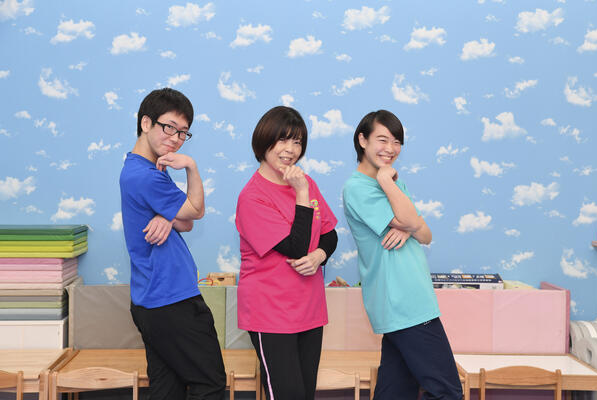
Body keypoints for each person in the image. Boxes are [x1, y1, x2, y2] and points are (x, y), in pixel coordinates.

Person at [342, 110, 462, 399]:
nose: (391, 149)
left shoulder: (396, 183)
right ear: (362, 140)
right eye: (382, 140)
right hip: (404, 302)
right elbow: (412, 221)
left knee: (395, 392)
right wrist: (387, 183)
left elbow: (426, 234)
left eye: (396, 142)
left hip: (406, 301)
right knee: (447, 392)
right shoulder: (358, 188)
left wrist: (409, 227)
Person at [120, 88, 225, 400]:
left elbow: (185, 222)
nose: (176, 138)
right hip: (171, 298)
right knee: (209, 384)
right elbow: (196, 211)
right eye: (169, 127)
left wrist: (165, 216)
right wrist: (191, 166)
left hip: (151, 300)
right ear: (146, 123)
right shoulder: (146, 176)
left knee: (167, 390)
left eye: (183, 132)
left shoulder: (141, 169)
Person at [235, 106, 338, 400]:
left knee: (305, 393)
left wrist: (319, 255)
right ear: (264, 140)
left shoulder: (306, 183)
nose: (290, 149)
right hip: (270, 312)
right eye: (282, 140)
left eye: (297, 141)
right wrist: (301, 194)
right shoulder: (252, 196)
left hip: (310, 309)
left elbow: (329, 234)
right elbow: (294, 246)